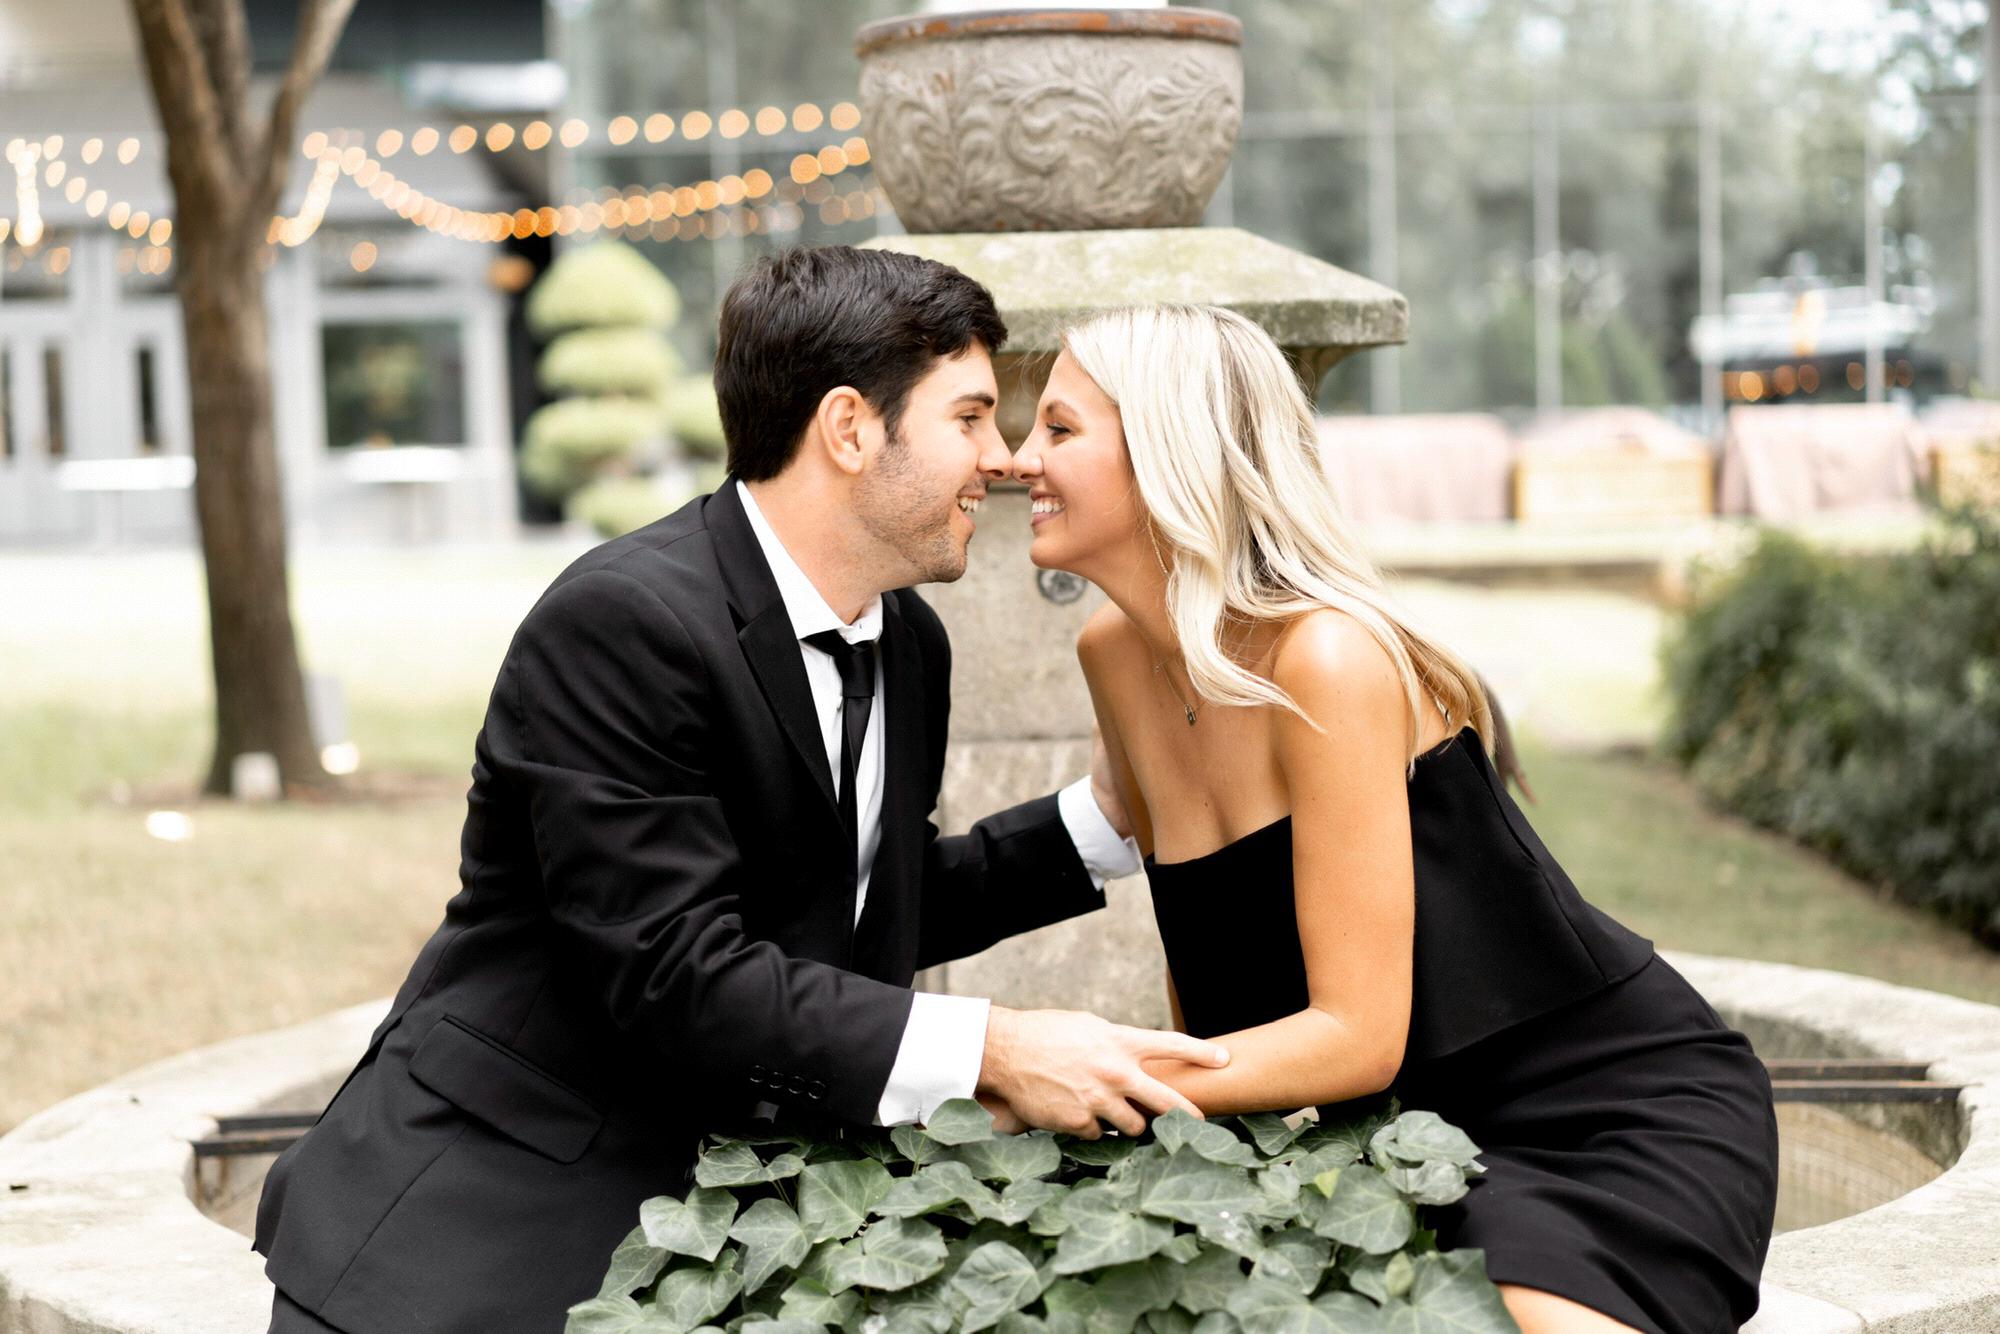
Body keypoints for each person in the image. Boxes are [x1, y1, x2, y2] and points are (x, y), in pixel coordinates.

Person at [251, 247, 1230, 1334]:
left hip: (718, 1234)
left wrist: (1101, 821)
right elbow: (674, 970)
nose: (999, 459)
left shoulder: (910, 642)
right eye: (968, 417)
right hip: (480, 1229)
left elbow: (858, 906)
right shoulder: (623, 622)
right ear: (849, 428)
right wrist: (993, 1048)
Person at [1009, 303, 1780, 1334]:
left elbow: (1356, 1037)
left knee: (1498, 1314)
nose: (1017, 457)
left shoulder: (1325, 658)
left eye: (1058, 428)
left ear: (1167, 451)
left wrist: (1084, 1071)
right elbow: (1202, 978)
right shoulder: (1111, 654)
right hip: (1407, 1139)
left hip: (1605, 1110)